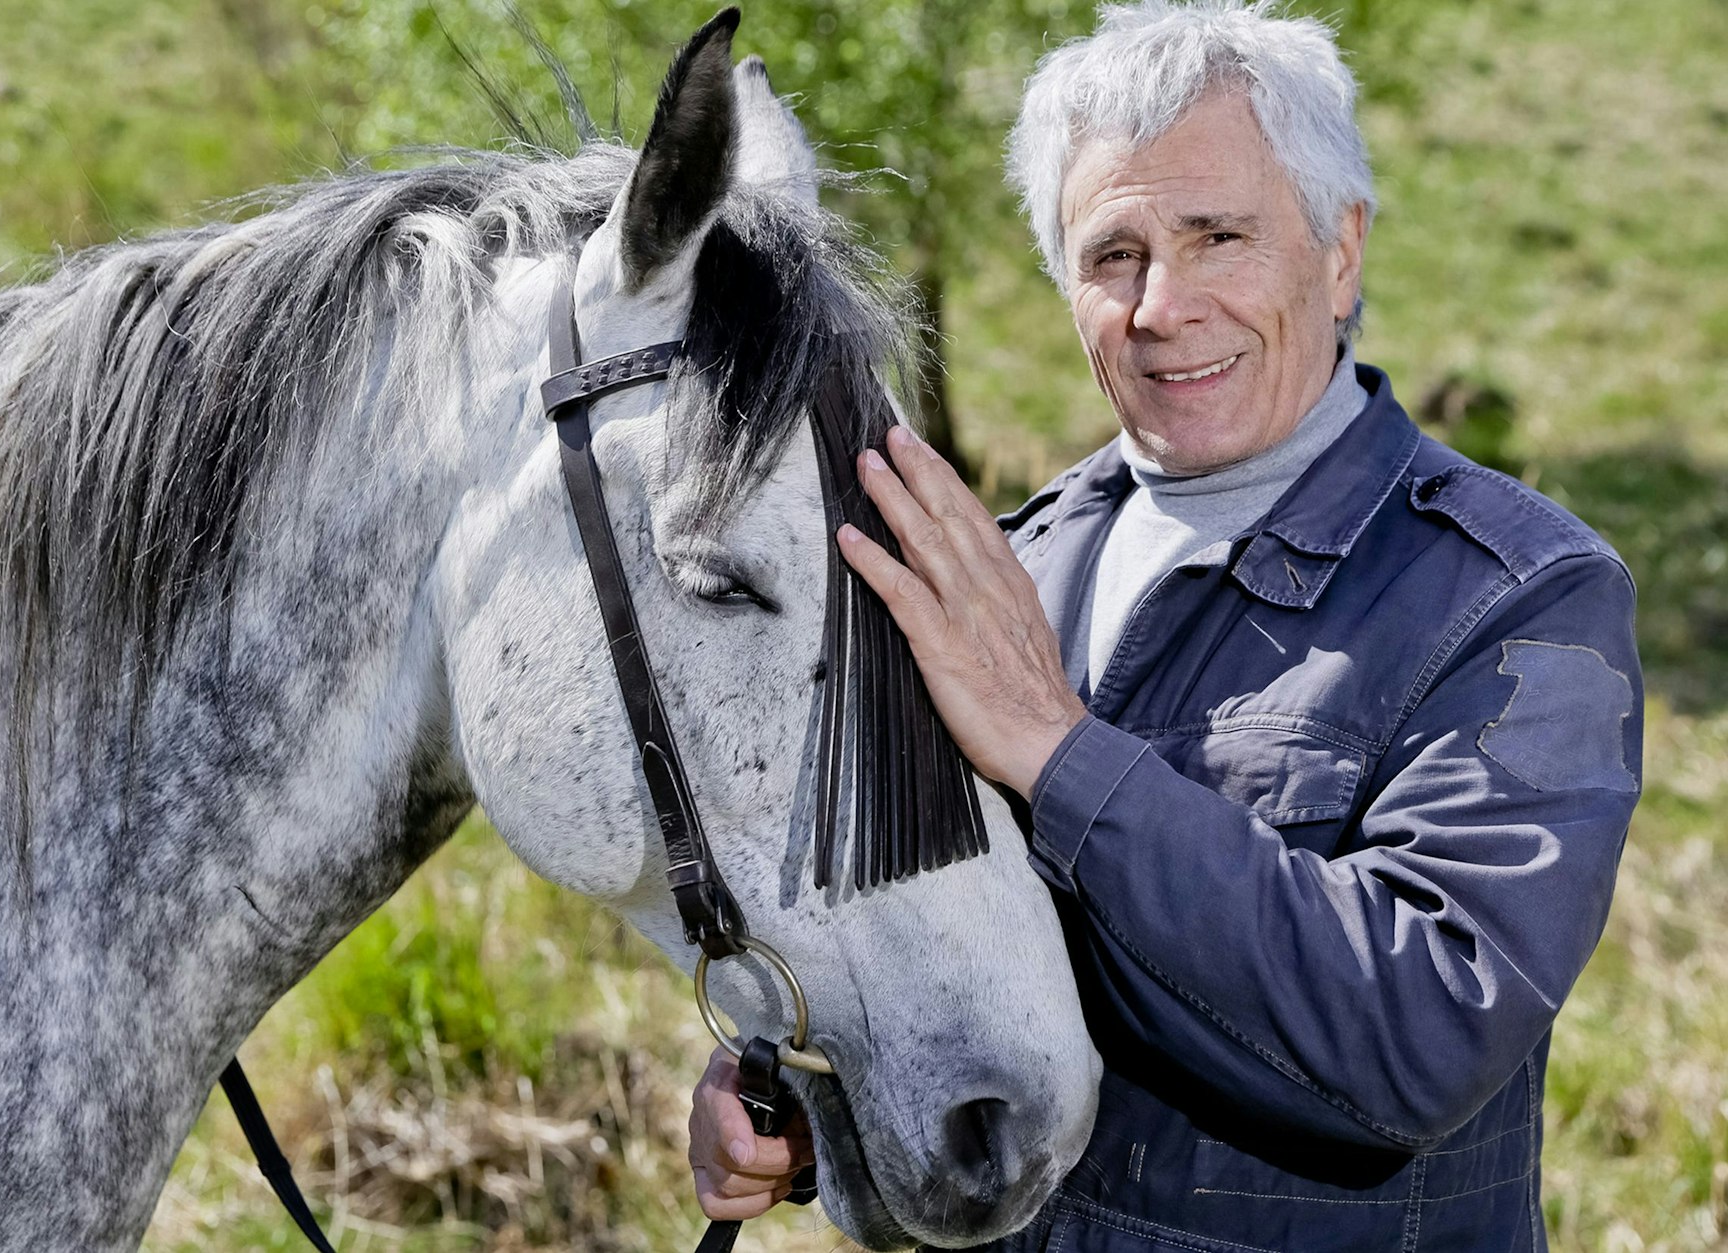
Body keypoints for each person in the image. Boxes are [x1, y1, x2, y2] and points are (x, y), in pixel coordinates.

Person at [689, 0, 1642, 1247]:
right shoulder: (1000, 570)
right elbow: (917, 951)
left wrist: (1055, 746)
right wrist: (786, 1087)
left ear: (1339, 250)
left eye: (1219, 235)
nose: (1160, 305)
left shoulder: (1520, 596)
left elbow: (1421, 1030)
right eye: (1109, 256)